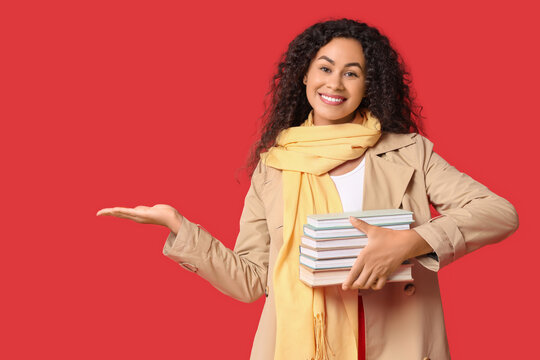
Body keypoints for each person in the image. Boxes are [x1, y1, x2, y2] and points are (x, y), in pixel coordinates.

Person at [96, 18, 519, 360]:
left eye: (352, 73)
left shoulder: (408, 152)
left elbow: (498, 212)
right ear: (305, 75)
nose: (335, 83)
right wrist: (179, 227)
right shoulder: (273, 166)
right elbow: (254, 279)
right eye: (325, 68)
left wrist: (410, 242)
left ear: (368, 86)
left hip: (398, 340)